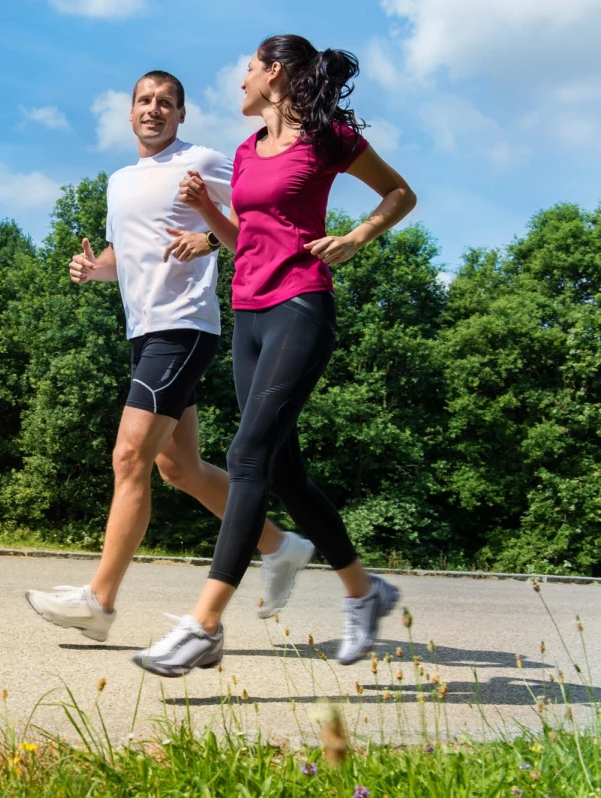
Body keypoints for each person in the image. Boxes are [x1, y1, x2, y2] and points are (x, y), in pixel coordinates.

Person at [131, 36, 417, 677]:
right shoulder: (245, 151)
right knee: (282, 471)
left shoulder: (329, 138)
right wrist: (209, 218)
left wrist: (359, 235)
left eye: (249, 69)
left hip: (301, 305)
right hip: (250, 314)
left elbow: (399, 193)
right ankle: (366, 591)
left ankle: (204, 624)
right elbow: (246, 239)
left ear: (275, 73)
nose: (241, 81)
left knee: (246, 455)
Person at [25, 70, 315, 644]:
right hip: (145, 332)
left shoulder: (204, 161)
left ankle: (99, 602)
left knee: (128, 456)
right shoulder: (120, 180)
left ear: (182, 114)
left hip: (182, 328)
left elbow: (265, 206)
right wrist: (94, 268)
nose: (153, 110)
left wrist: (209, 236)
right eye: (144, 101)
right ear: (129, 112)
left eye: (166, 103)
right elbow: (125, 253)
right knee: (177, 467)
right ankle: (281, 545)